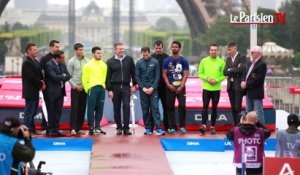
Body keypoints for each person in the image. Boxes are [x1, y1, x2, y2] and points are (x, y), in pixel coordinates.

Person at [106, 42, 137, 135]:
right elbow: (107, 77)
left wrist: (134, 85)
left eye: (123, 49)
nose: (122, 50)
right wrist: (109, 90)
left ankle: (126, 128)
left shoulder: (129, 59)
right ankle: (119, 127)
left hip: (126, 86)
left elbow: (133, 73)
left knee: (127, 106)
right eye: (120, 49)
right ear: (115, 50)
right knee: (116, 108)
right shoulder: (110, 61)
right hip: (115, 87)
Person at [136, 46, 165, 135]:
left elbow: (157, 76)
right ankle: (148, 128)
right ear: (141, 53)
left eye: (147, 54)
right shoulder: (139, 63)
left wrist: (152, 87)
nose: (145, 55)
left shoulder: (155, 62)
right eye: (143, 54)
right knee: (145, 110)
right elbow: (137, 77)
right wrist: (143, 88)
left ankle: (159, 128)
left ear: (149, 53)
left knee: (155, 108)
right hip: (143, 90)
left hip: (153, 90)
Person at [162, 41, 189, 134]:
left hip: (181, 88)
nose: (174, 48)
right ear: (171, 48)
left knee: (182, 106)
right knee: (170, 107)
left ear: (180, 48)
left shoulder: (184, 60)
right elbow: (164, 74)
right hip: (170, 87)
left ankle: (182, 126)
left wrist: (181, 86)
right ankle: (172, 127)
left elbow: (186, 73)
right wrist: (168, 85)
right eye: (173, 47)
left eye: (176, 47)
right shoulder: (166, 60)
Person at [198, 43, 225, 135]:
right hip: (206, 88)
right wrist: (207, 78)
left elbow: (224, 75)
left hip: (216, 88)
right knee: (205, 106)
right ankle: (203, 125)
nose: (213, 51)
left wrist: (216, 81)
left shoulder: (221, 62)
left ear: (217, 51)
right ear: (209, 51)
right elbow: (200, 73)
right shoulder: (204, 61)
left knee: (214, 108)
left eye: (215, 50)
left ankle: (213, 127)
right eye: (212, 50)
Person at [82, 46, 107, 136]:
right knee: (91, 109)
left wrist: (103, 87)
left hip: (101, 89)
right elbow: (84, 79)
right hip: (92, 89)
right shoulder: (87, 66)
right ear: (93, 54)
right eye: (98, 53)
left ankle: (97, 127)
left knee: (100, 109)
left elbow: (104, 77)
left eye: (100, 53)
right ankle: (91, 127)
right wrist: (87, 89)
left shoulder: (104, 65)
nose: (100, 54)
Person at [21, 43, 46, 135]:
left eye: (36, 49)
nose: (36, 51)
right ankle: (27, 132)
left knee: (33, 112)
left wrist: (42, 82)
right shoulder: (27, 62)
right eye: (34, 50)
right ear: (29, 51)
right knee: (29, 113)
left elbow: (39, 75)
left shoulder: (35, 61)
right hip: (30, 91)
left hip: (35, 91)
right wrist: (41, 84)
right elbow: (30, 77)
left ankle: (32, 130)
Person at [44, 51, 70, 137]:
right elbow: (54, 78)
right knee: (51, 112)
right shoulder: (49, 65)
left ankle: (56, 129)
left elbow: (68, 75)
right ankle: (50, 130)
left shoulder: (62, 64)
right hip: (51, 93)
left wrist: (60, 76)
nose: (64, 59)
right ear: (57, 58)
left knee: (58, 112)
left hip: (61, 92)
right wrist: (62, 76)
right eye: (62, 58)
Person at [67, 43, 89, 136]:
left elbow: (89, 74)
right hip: (75, 88)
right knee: (75, 108)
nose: (81, 51)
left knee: (82, 108)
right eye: (79, 50)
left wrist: (85, 85)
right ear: (75, 51)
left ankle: (79, 127)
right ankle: (72, 128)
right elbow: (68, 76)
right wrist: (75, 86)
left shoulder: (87, 61)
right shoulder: (71, 61)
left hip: (84, 88)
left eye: (82, 49)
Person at [241, 46, 267, 124]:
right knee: (248, 111)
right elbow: (245, 74)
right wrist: (242, 81)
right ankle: (249, 128)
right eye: (251, 52)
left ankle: (262, 129)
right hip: (249, 91)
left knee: (258, 111)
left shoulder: (262, 64)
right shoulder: (249, 63)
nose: (251, 54)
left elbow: (259, 79)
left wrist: (246, 84)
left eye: (253, 52)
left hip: (256, 91)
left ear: (258, 54)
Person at [40, 40, 61, 133]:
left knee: (57, 110)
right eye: (56, 46)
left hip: (58, 88)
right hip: (48, 88)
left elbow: (64, 72)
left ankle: (55, 127)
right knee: (48, 108)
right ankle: (45, 127)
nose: (58, 48)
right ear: (51, 47)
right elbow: (41, 73)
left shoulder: (60, 57)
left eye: (58, 47)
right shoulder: (44, 59)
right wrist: (43, 83)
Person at [224, 42, 247, 126]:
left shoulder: (242, 57)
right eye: (228, 50)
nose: (228, 52)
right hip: (230, 86)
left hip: (238, 86)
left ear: (234, 48)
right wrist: (234, 70)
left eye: (230, 50)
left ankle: (240, 124)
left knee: (238, 107)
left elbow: (241, 70)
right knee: (233, 108)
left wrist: (231, 70)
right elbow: (225, 72)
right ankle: (236, 125)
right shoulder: (228, 59)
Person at [151, 40, 170, 131]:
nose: (158, 49)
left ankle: (167, 126)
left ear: (162, 47)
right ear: (154, 48)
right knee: (154, 107)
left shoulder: (167, 58)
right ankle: (152, 126)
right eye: (156, 48)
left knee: (166, 106)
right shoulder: (150, 57)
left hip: (165, 86)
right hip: (154, 87)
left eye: (160, 48)